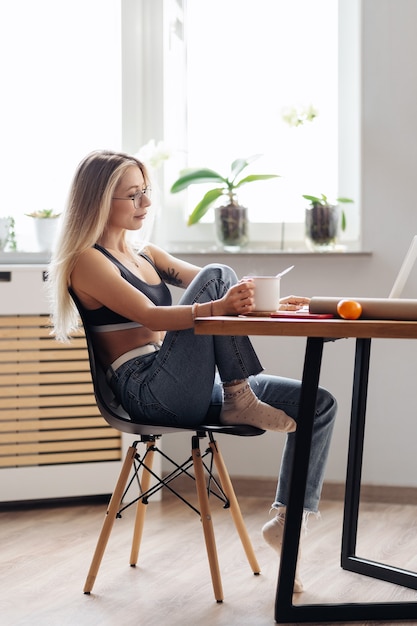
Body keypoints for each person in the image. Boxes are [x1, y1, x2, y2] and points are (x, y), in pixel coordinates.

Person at [48, 149, 337, 593]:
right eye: (133, 195)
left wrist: (269, 303)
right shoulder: (88, 259)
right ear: (100, 200)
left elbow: (217, 287)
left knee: (317, 403)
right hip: (147, 389)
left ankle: (287, 521)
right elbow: (151, 315)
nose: (145, 203)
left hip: (189, 381)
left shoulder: (148, 253)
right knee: (219, 273)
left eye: (147, 192)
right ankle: (241, 397)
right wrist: (221, 304)